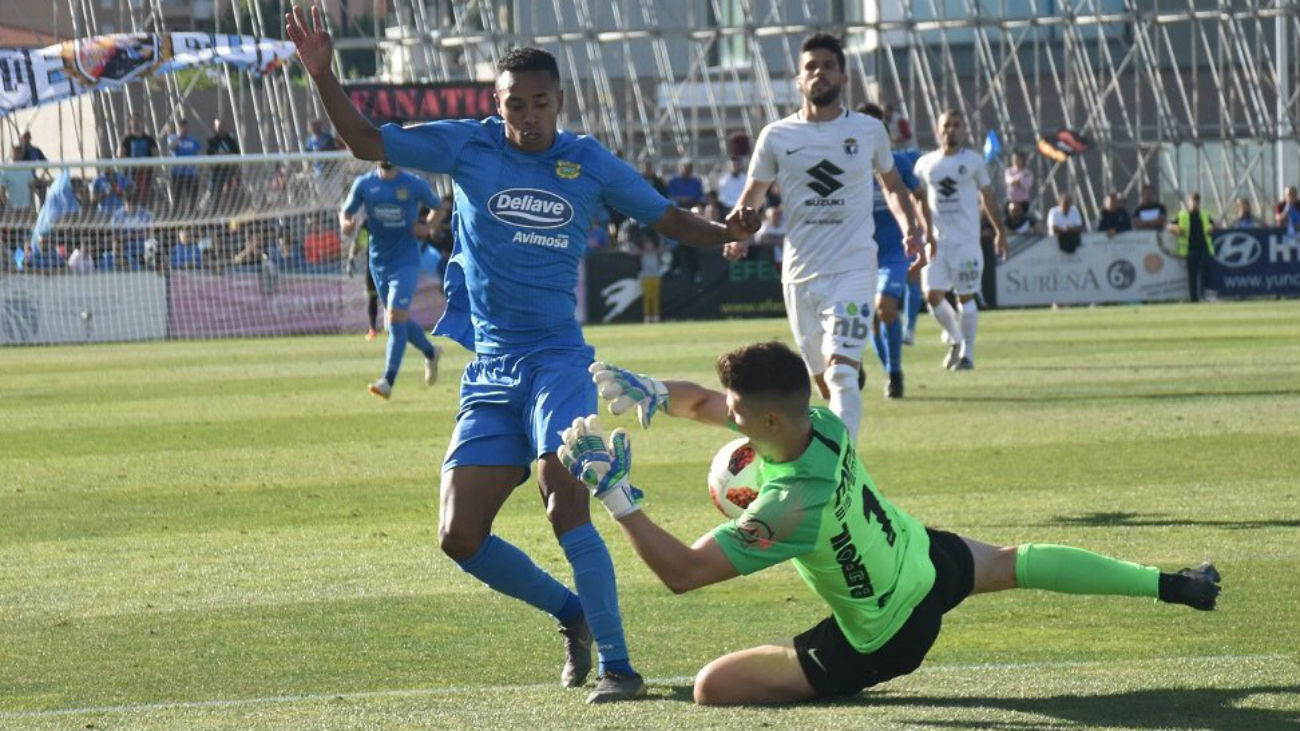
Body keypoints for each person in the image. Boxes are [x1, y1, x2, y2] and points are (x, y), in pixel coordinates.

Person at [286, 6, 758, 703]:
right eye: (515, 104)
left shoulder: (589, 161)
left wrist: (724, 231)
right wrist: (325, 75)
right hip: (492, 368)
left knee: (564, 498)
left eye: (540, 103)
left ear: (558, 102)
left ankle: (621, 667)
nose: (528, 115)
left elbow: (664, 215)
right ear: (496, 104)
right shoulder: (467, 147)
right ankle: (572, 614)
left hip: (558, 362)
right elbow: (362, 140)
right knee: (459, 534)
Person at [568, 341, 1222, 706]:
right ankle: (1174, 584)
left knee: (713, 686)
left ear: (770, 422)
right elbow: (708, 399)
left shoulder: (789, 506)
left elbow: (684, 573)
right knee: (1016, 561)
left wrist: (618, 497)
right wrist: (657, 389)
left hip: (883, 635)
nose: (724, 416)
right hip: (923, 557)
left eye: (738, 414)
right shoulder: (820, 421)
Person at [722, 34, 923, 442]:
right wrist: (738, 233)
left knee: (843, 374)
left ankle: (839, 471)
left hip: (853, 267)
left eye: (828, 65)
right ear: (799, 79)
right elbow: (752, 198)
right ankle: (837, 438)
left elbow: (893, 186)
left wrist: (909, 229)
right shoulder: (776, 136)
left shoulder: (867, 130)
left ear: (843, 77)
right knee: (825, 385)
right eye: (811, 66)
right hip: (799, 275)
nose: (819, 73)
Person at [914, 109, 1008, 371]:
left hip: (966, 243)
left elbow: (987, 197)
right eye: (946, 125)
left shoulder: (974, 162)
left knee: (966, 297)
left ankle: (967, 354)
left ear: (963, 130)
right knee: (931, 296)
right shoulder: (925, 164)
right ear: (937, 130)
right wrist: (922, 232)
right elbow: (918, 201)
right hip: (936, 242)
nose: (951, 130)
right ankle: (955, 338)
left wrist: (999, 230)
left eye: (956, 125)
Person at [341, 162, 442, 398]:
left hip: (406, 260)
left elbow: (438, 207)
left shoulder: (414, 183)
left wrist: (427, 227)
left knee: (395, 318)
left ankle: (387, 380)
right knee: (397, 320)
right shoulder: (365, 184)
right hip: (378, 263)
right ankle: (430, 352)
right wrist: (345, 224)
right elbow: (347, 212)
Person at [859, 102, 923, 399]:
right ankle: (890, 371)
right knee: (869, 318)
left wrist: (926, 231)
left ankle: (895, 371)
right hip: (859, 251)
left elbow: (920, 195)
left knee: (885, 309)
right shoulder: (849, 167)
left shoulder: (898, 163)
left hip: (894, 249)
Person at [1168, 192, 1216, 303]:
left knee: (1205, 271)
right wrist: (1177, 229)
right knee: (1192, 276)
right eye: (1192, 201)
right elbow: (1169, 225)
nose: (1194, 203)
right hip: (1190, 249)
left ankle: (1205, 295)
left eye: (1197, 201)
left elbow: (1213, 224)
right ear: (1188, 202)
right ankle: (1194, 299)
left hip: (1204, 247)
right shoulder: (1183, 215)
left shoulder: (1204, 214)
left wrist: (1211, 228)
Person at [118, 114, 159, 204]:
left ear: (142, 122)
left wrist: (153, 170)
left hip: (146, 173)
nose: (136, 123)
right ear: (130, 123)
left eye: (138, 121)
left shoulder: (149, 139)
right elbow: (121, 155)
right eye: (134, 121)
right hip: (131, 173)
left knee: (145, 198)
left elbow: (155, 154)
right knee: (131, 197)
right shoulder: (126, 139)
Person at [166, 118, 203, 211]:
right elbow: (172, 146)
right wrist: (178, 137)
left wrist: (200, 170)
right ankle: (175, 218)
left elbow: (198, 153)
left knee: (192, 198)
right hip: (178, 173)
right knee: (177, 198)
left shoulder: (193, 140)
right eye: (182, 128)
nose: (185, 130)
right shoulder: (173, 138)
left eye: (186, 128)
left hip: (192, 174)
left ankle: (192, 216)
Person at [206, 118, 241, 206]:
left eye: (221, 126)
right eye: (217, 126)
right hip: (217, 172)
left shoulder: (230, 139)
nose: (220, 128)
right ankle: (216, 214)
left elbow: (237, 153)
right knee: (215, 195)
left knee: (231, 196)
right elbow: (209, 154)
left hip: (229, 171)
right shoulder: (212, 140)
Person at [638, 233, 663, 323]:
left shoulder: (656, 253)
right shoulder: (642, 253)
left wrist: (660, 240)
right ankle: (647, 316)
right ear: (644, 246)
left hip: (655, 277)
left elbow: (661, 248)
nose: (649, 246)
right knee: (647, 298)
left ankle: (656, 316)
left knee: (655, 298)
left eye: (650, 244)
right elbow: (633, 251)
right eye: (647, 244)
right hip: (646, 278)